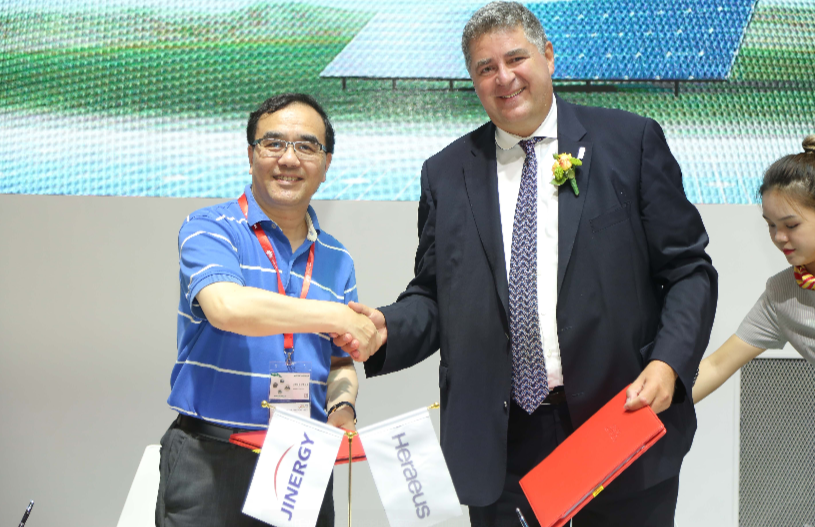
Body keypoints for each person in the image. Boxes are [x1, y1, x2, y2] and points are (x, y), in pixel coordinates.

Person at [334, 2, 717, 526]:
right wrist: (386, 329)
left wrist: (668, 363)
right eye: (485, 68)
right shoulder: (446, 173)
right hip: (502, 446)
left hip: (618, 424)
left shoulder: (630, 142)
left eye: (516, 59)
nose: (504, 77)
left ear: (548, 56)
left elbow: (689, 270)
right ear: (473, 80)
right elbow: (435, 295)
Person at [155, 93, 380, 527]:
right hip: (211, 458)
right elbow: (226, 307)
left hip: (301, 459)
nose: (289, 159)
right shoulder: (210, 228)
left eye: (307, 146)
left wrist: (342, 408)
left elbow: (339, 361)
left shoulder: (337, 258)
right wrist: (335, 315)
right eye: (273, 143)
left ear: (326, 164)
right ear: (250, 155)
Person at [693, 136, 815, 404]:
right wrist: (641, 411)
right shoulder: (782, 293)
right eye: (771, 225)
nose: (779, 237)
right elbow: (716, 366)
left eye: (791, 225)